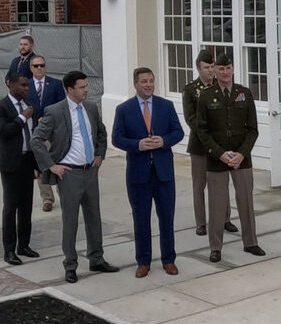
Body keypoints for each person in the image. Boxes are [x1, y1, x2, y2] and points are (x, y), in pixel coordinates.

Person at [31, 70, 113, 284]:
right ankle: (70, 264)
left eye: (86, 86)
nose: (86, 90)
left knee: (94, 216)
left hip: (90, 171)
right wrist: (52, 165)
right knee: (70, 220)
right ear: (69, 89)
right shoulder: (55, 111)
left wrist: (99, 155)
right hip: (69, 173)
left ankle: (96, 257)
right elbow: (36, 140)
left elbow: (101, 134)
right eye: (82, 87)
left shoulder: (91, 108)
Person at [110, 67, 185, 278]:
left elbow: (178, 132)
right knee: (141, 219)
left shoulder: (166, 106)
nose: (149, 85)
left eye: (151, 80)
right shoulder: (124, 109)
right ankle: (143, 261)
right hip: (138, 174)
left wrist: (164, 141)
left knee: (167, 218)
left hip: (163, 173)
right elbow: (117, 138)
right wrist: (138, 145)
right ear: (135, 84)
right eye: (144, 81)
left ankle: (169, 259)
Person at [193, 55, 262, 263]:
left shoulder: (244, 93)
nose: (225, 72)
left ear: (233, 69)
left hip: (242, 159)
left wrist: (242, 153)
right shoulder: (205, 96)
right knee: (217, 204)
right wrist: (220, 153)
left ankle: (250, 242)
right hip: (217, 159)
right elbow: (202, 131)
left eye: (228, 68)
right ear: (215, 71)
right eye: (220, 69)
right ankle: (215, 247)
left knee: (245, 201)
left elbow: (252, 129)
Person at [182, 51, 236, 239]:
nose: (211, 70)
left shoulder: (220, 86)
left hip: (220, 146)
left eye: (213, 66)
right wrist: (209, 135)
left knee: (222, 183)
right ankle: (201, 223)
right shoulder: (190, 90)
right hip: (199, 146)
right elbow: (191, 119)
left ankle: (225, 218)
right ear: (198, 68)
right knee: (199, 185)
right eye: (207, 67)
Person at [0, 74, 40, 265]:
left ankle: (24, 245)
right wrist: (22, 117)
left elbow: (32, 134)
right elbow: (4, 132)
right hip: (11, 163)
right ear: (9, 84)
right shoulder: (0, 107)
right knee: (11, 207)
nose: (26, 88)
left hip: (27, 160)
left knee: (26, 206)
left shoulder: (28, 105)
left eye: (28, 85)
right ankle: (9, 250)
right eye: (22, 85)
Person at [26, 55, 64, 214]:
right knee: (41, 167)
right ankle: (47, 198)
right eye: (35, 66)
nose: (39, 68)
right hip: (35, 132)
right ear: (31, 68)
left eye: (42, 65)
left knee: (59, 163)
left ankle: (64, 195)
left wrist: (50, 119)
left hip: (54, 132)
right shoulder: (25, 85)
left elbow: (62, 106)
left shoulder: (55, 84)